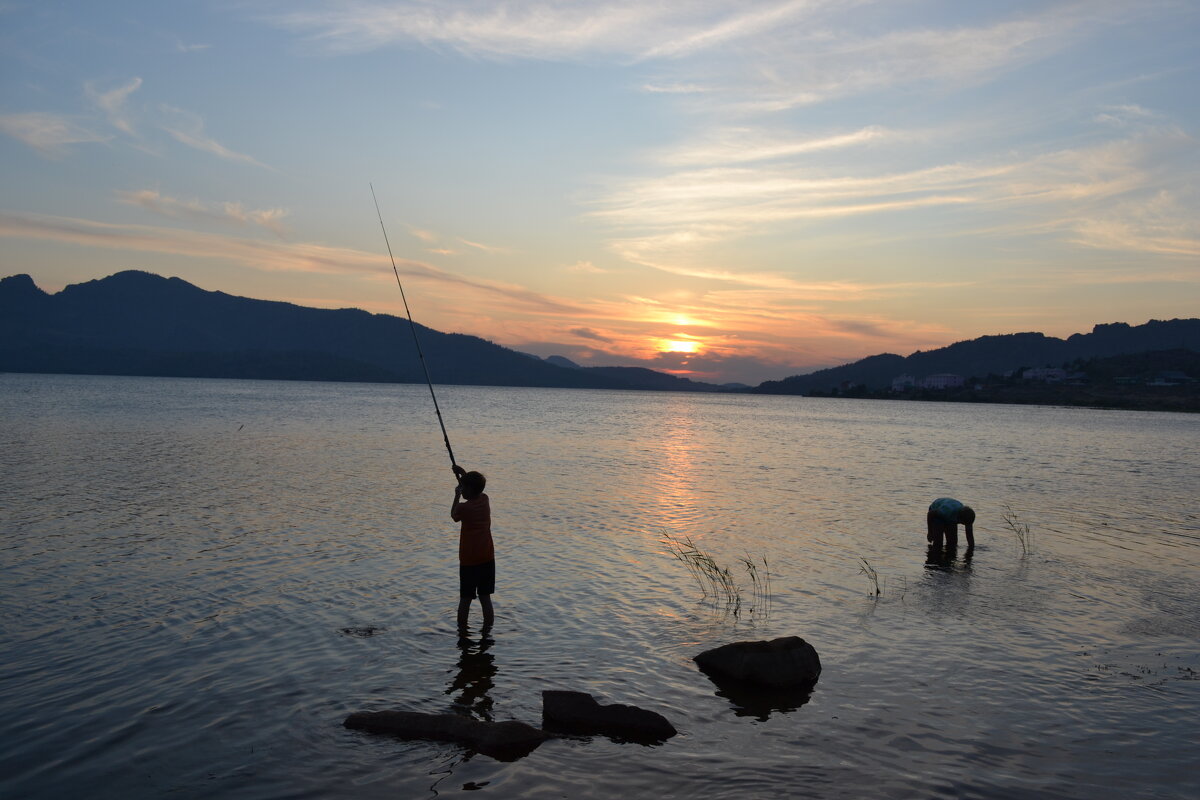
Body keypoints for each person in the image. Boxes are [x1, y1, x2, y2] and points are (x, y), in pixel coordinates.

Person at [451, 464, 494, 632]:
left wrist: (455, 496)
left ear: (468, 490)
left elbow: (454, 515)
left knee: (465, 599)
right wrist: (463, 475)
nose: (461, 490)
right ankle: (488, 630)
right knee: (485, 597)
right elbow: (476, 489)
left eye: (463, 488)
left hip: (469, 561)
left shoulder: (464, 507)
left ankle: (462, 632)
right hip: (487, 558)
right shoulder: (485, 500)